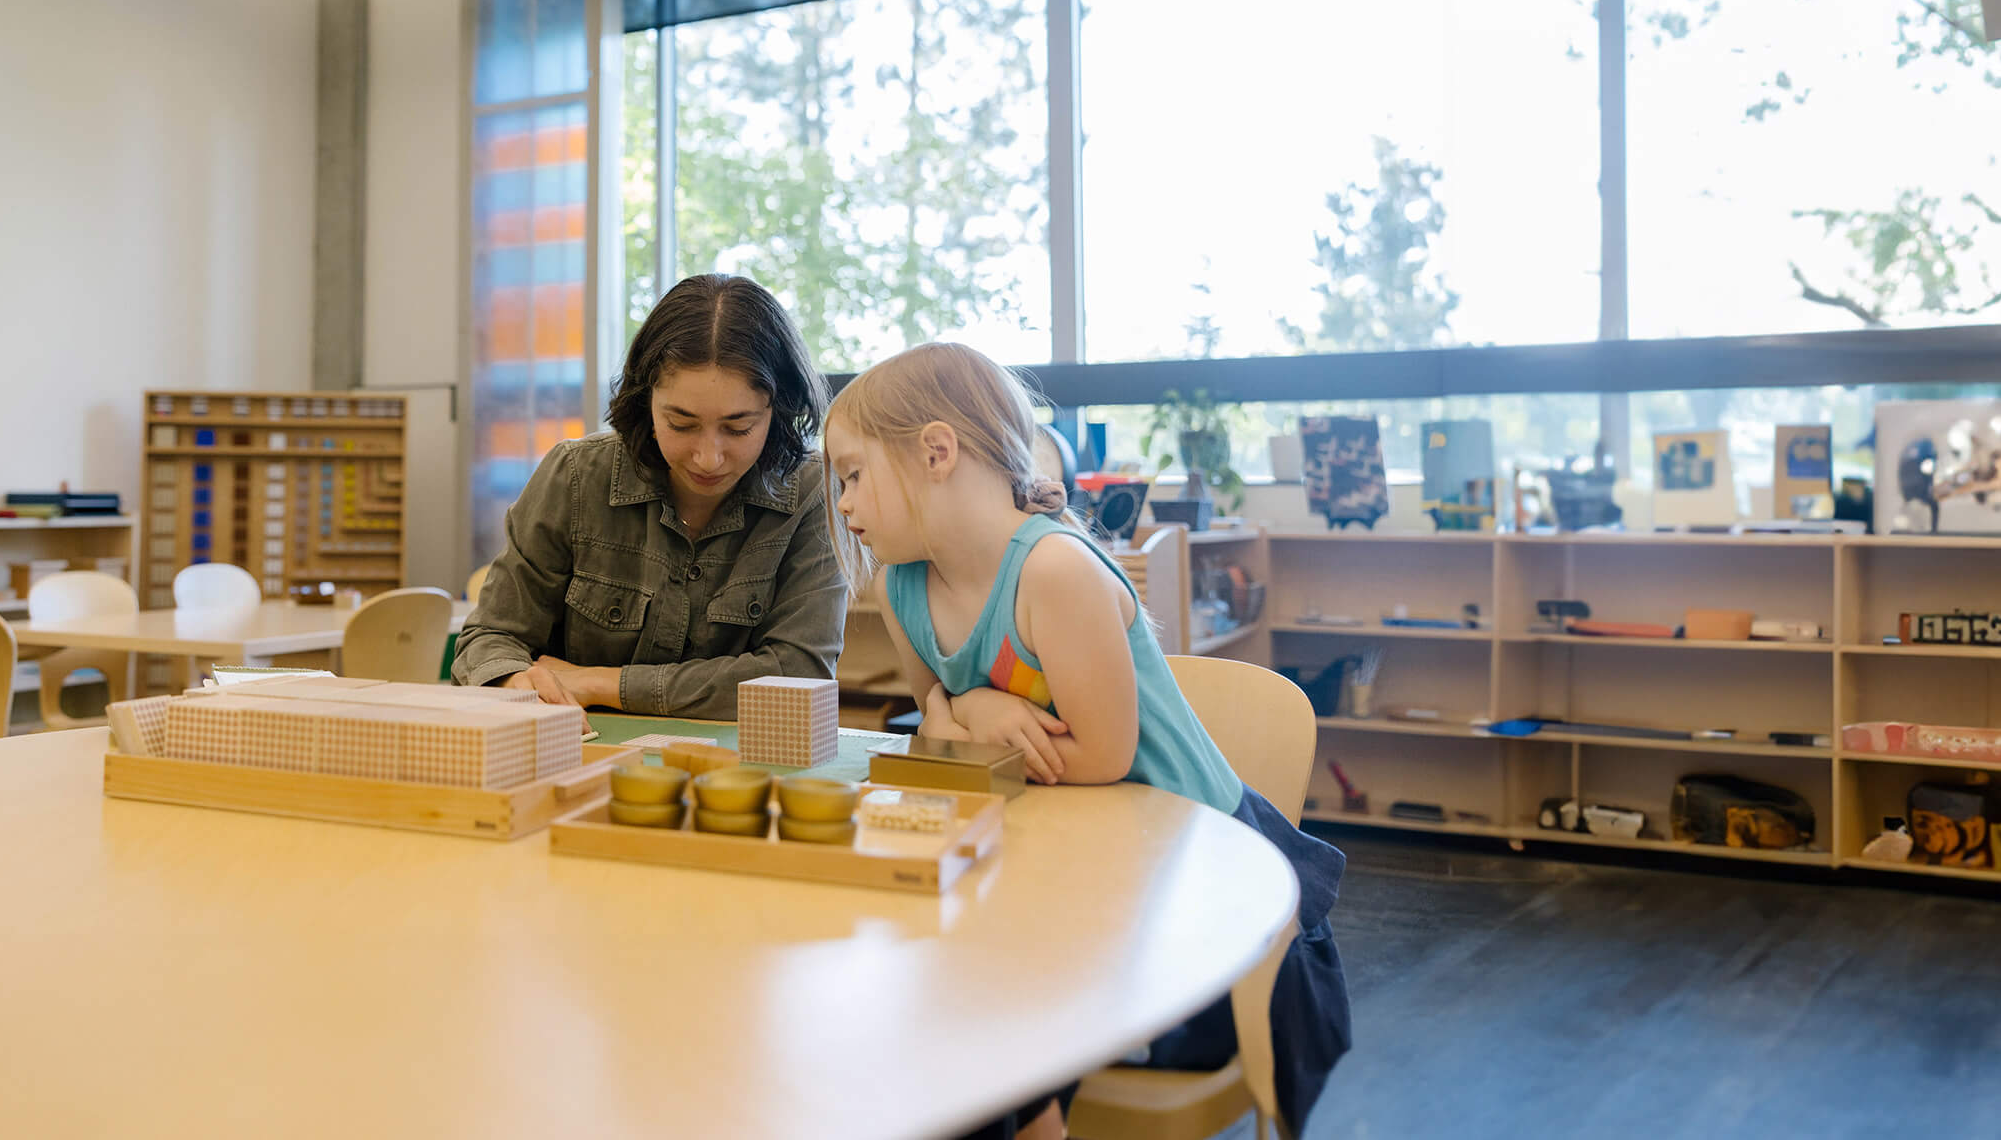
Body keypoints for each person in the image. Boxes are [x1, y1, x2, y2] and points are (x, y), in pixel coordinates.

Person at [824, 343, 1351, 1140]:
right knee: (933, 993)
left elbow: (1101, 760)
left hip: (1194, 895)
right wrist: (973, 710)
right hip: (1066, 869)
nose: (844, 502)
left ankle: (1032, 1110)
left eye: (853, 474)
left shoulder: (1054, 574)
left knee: (973, 1021)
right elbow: (929, 712)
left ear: (936, 452)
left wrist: (960, 718)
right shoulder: (903, 585)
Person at [451, 273, 846, 718]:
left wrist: (599, 682)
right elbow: (488, 639)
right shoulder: (576, 476)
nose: (708, 457)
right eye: (681, 423)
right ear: (645, 400)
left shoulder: (812, 492)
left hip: (739, 771)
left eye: (739, 428)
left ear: (780, 410)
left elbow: (798, 676)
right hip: (579, 752)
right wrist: (511, 679)